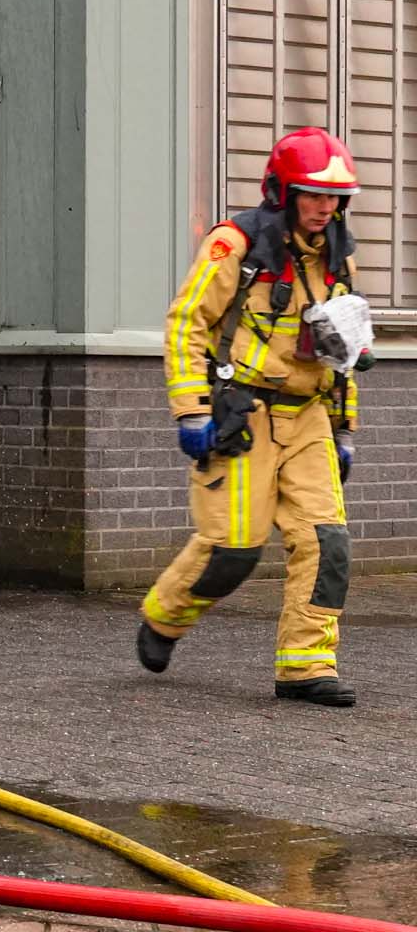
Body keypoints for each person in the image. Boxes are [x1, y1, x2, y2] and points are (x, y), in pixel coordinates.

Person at [139, 127, 365, 706]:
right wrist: (190, 410)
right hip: (245, 413)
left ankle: (306, 667)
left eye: (335, 197)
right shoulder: (234, 244)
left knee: (327, 543)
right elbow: (185, 324)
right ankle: (165, 617)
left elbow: (343, 346)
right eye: (313, 194)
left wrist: (344, 427)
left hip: (310, 415)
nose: (325, 207)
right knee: (233, 550)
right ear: (282, 191)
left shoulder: (338, 254)